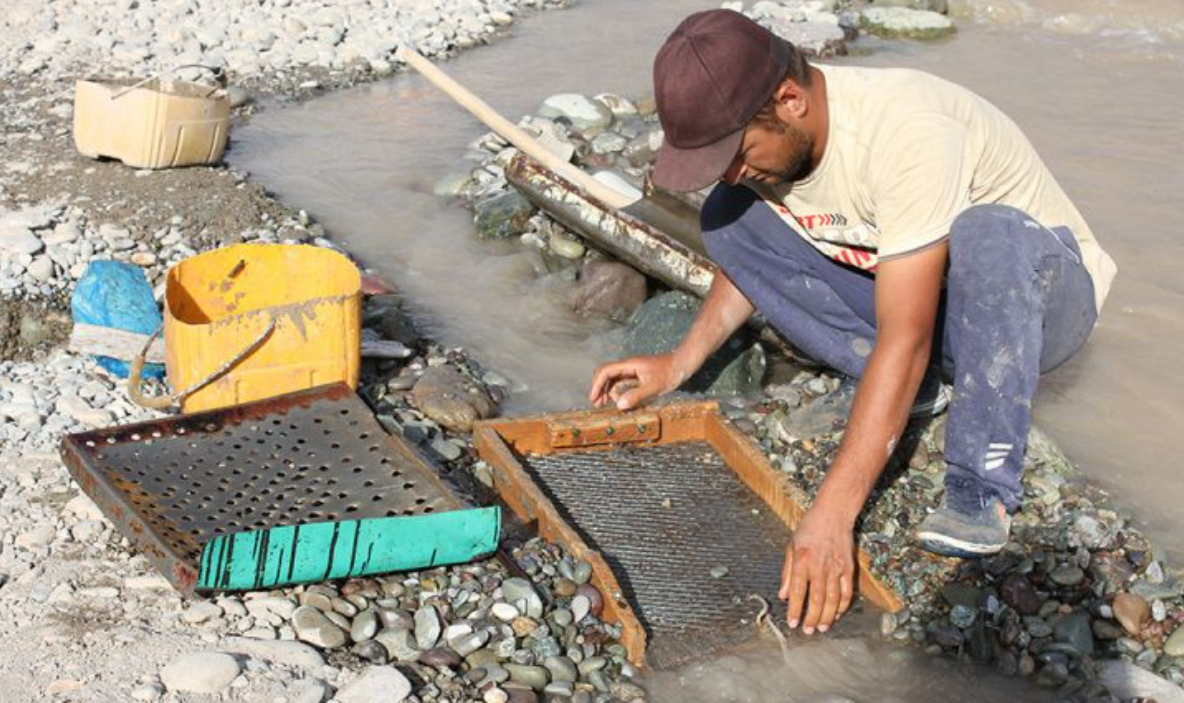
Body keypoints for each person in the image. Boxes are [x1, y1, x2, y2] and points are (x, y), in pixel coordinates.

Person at [588, 9, 1116, 636]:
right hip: (934, 303)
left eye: (735, 153)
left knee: (987, 232)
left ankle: (981, 484)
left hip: (1038, 307)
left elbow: (908, 332)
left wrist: (831, 515)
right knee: (730, 214)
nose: (731, 170)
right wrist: (678, 362)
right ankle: (913, 389)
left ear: (789, 100)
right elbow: (753, 261)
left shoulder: (908, 133)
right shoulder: (775, 153)